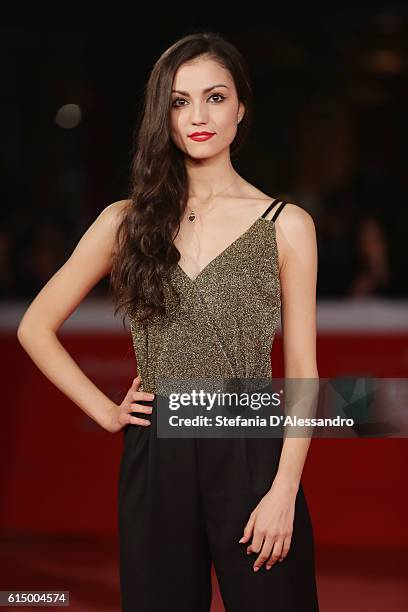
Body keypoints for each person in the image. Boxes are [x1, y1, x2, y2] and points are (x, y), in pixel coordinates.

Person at [17, 31, 320, 612]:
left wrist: (283, 492)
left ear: (241, 108)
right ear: (164, 114)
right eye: (180, 101)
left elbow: (304, 372)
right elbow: (36, 326)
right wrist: (107, 410)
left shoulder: (287, 225)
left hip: (250, 446)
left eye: (215, 97)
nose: (198, 116)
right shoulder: (125, 221)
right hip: (157, 451)